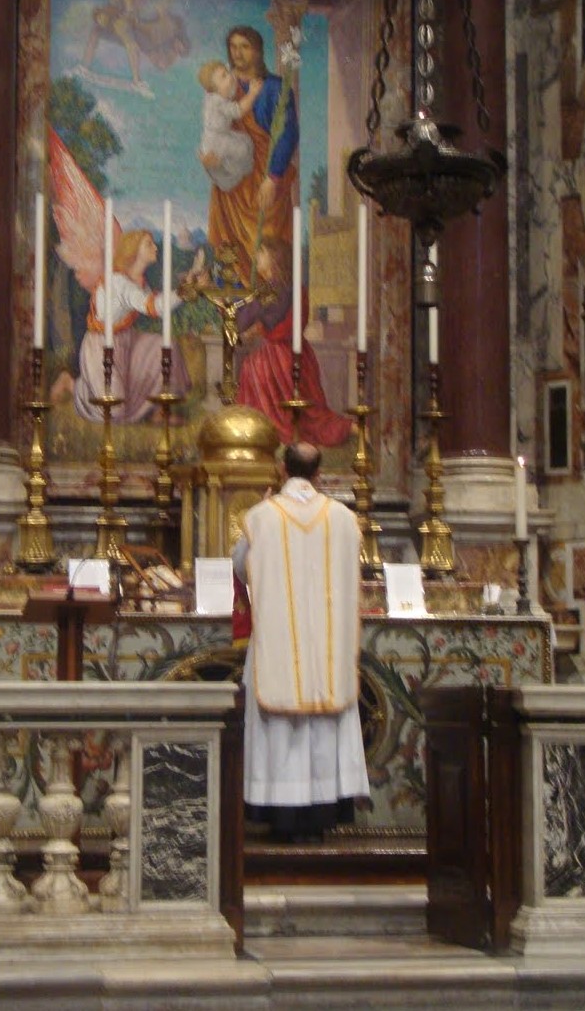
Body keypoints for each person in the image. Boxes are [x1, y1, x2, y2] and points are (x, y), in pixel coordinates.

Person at [232, 442, 370, 843]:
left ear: (281, 470)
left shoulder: (261, 516)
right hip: (328, 648)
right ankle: (324, 812)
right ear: (318, 473)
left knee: (279, 726)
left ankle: (281, 816)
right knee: (325, 725)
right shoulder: (343, 519)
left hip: (278, 645)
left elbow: (242, 567)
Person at [51, 229, 197, 423]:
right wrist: (183, 291)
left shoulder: (138, 282)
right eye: (149, 244)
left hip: (126, 340)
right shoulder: (119, 282)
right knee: (113, 411)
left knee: (165, 347)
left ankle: (160, 410)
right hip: (101, 348)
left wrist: (189, 283)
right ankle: (72, 384)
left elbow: (156, 300)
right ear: (133, 250)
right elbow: (155, 307)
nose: (155, 247)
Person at [235, 236, 353, 446]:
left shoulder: (272, 289)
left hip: (278, 358)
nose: (256, 258)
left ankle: (268, 430)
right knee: (312, 416)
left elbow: (242, 319)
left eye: (261, 253)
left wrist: (240, 318)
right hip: (300, 356)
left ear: (274, 259)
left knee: (250, 368)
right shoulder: (293, 288)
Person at [201, 24, 299, 277]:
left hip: (264, 180)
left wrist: (273, 177)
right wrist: (211, 161)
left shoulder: (275, 87)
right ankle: (240, 310)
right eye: (233, 47)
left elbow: (288, 133)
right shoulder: (220, 88)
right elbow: (213, 133)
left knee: (269, 247)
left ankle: (270, 305)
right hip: (233, 185)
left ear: (257, 50)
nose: (238, 53)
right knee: (232, 253)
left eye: (244, 46)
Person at [197, 60, 263, 192]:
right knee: (242, 149)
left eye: (227, 72)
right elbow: (238, 110)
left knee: (245, 142)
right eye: (224, 76)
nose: (230, 76)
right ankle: (232, 176)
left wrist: (231, 74)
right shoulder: (217, 102)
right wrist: (252, 93)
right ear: (213, 88)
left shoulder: (213, 94)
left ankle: (238, 170)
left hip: (214, 138)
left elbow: (226, 86)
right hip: (217, 141)